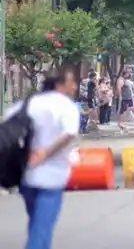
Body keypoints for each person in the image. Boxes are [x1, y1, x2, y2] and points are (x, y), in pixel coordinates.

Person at [8, 66, 80, 249]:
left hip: (26, 177)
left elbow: (7, 127)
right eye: (72, 83)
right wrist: (45, 153)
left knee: (37, 225)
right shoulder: (66, 106)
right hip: (51, 178)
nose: (75, 87)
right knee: (41, 230)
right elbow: (69, 133)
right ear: (60, 85)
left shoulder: (27, 103)